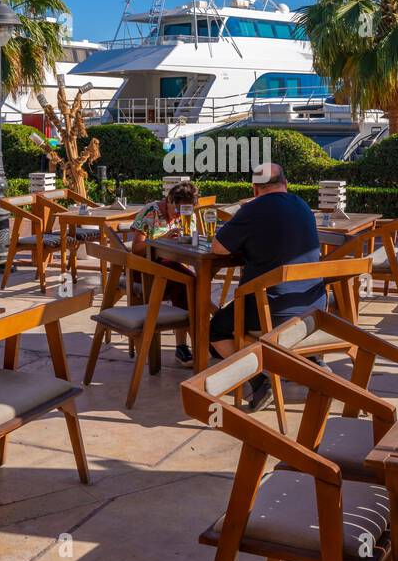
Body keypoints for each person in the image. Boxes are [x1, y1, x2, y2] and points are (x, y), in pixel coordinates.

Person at [209, 162, 325, 409]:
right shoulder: (303, 205)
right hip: (313, 306)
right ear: (286, 183)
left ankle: (260, 379)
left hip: (273, 309)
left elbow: (219, 248)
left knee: (216, 329)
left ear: (255, 188)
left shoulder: (253, 209)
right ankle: (308, 358)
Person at [128, 179, 199, 363]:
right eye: (178, 209)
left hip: (171, 268)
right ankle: (198, 340)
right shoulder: (151, 212)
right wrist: (162, 239)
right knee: (188, 282)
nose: (179, 215)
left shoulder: (188, 214)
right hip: (144, 269)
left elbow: (190, 240)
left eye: (186, 210)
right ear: (169, 201)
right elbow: (136, 248)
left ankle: (187, 345)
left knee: (185, 280)